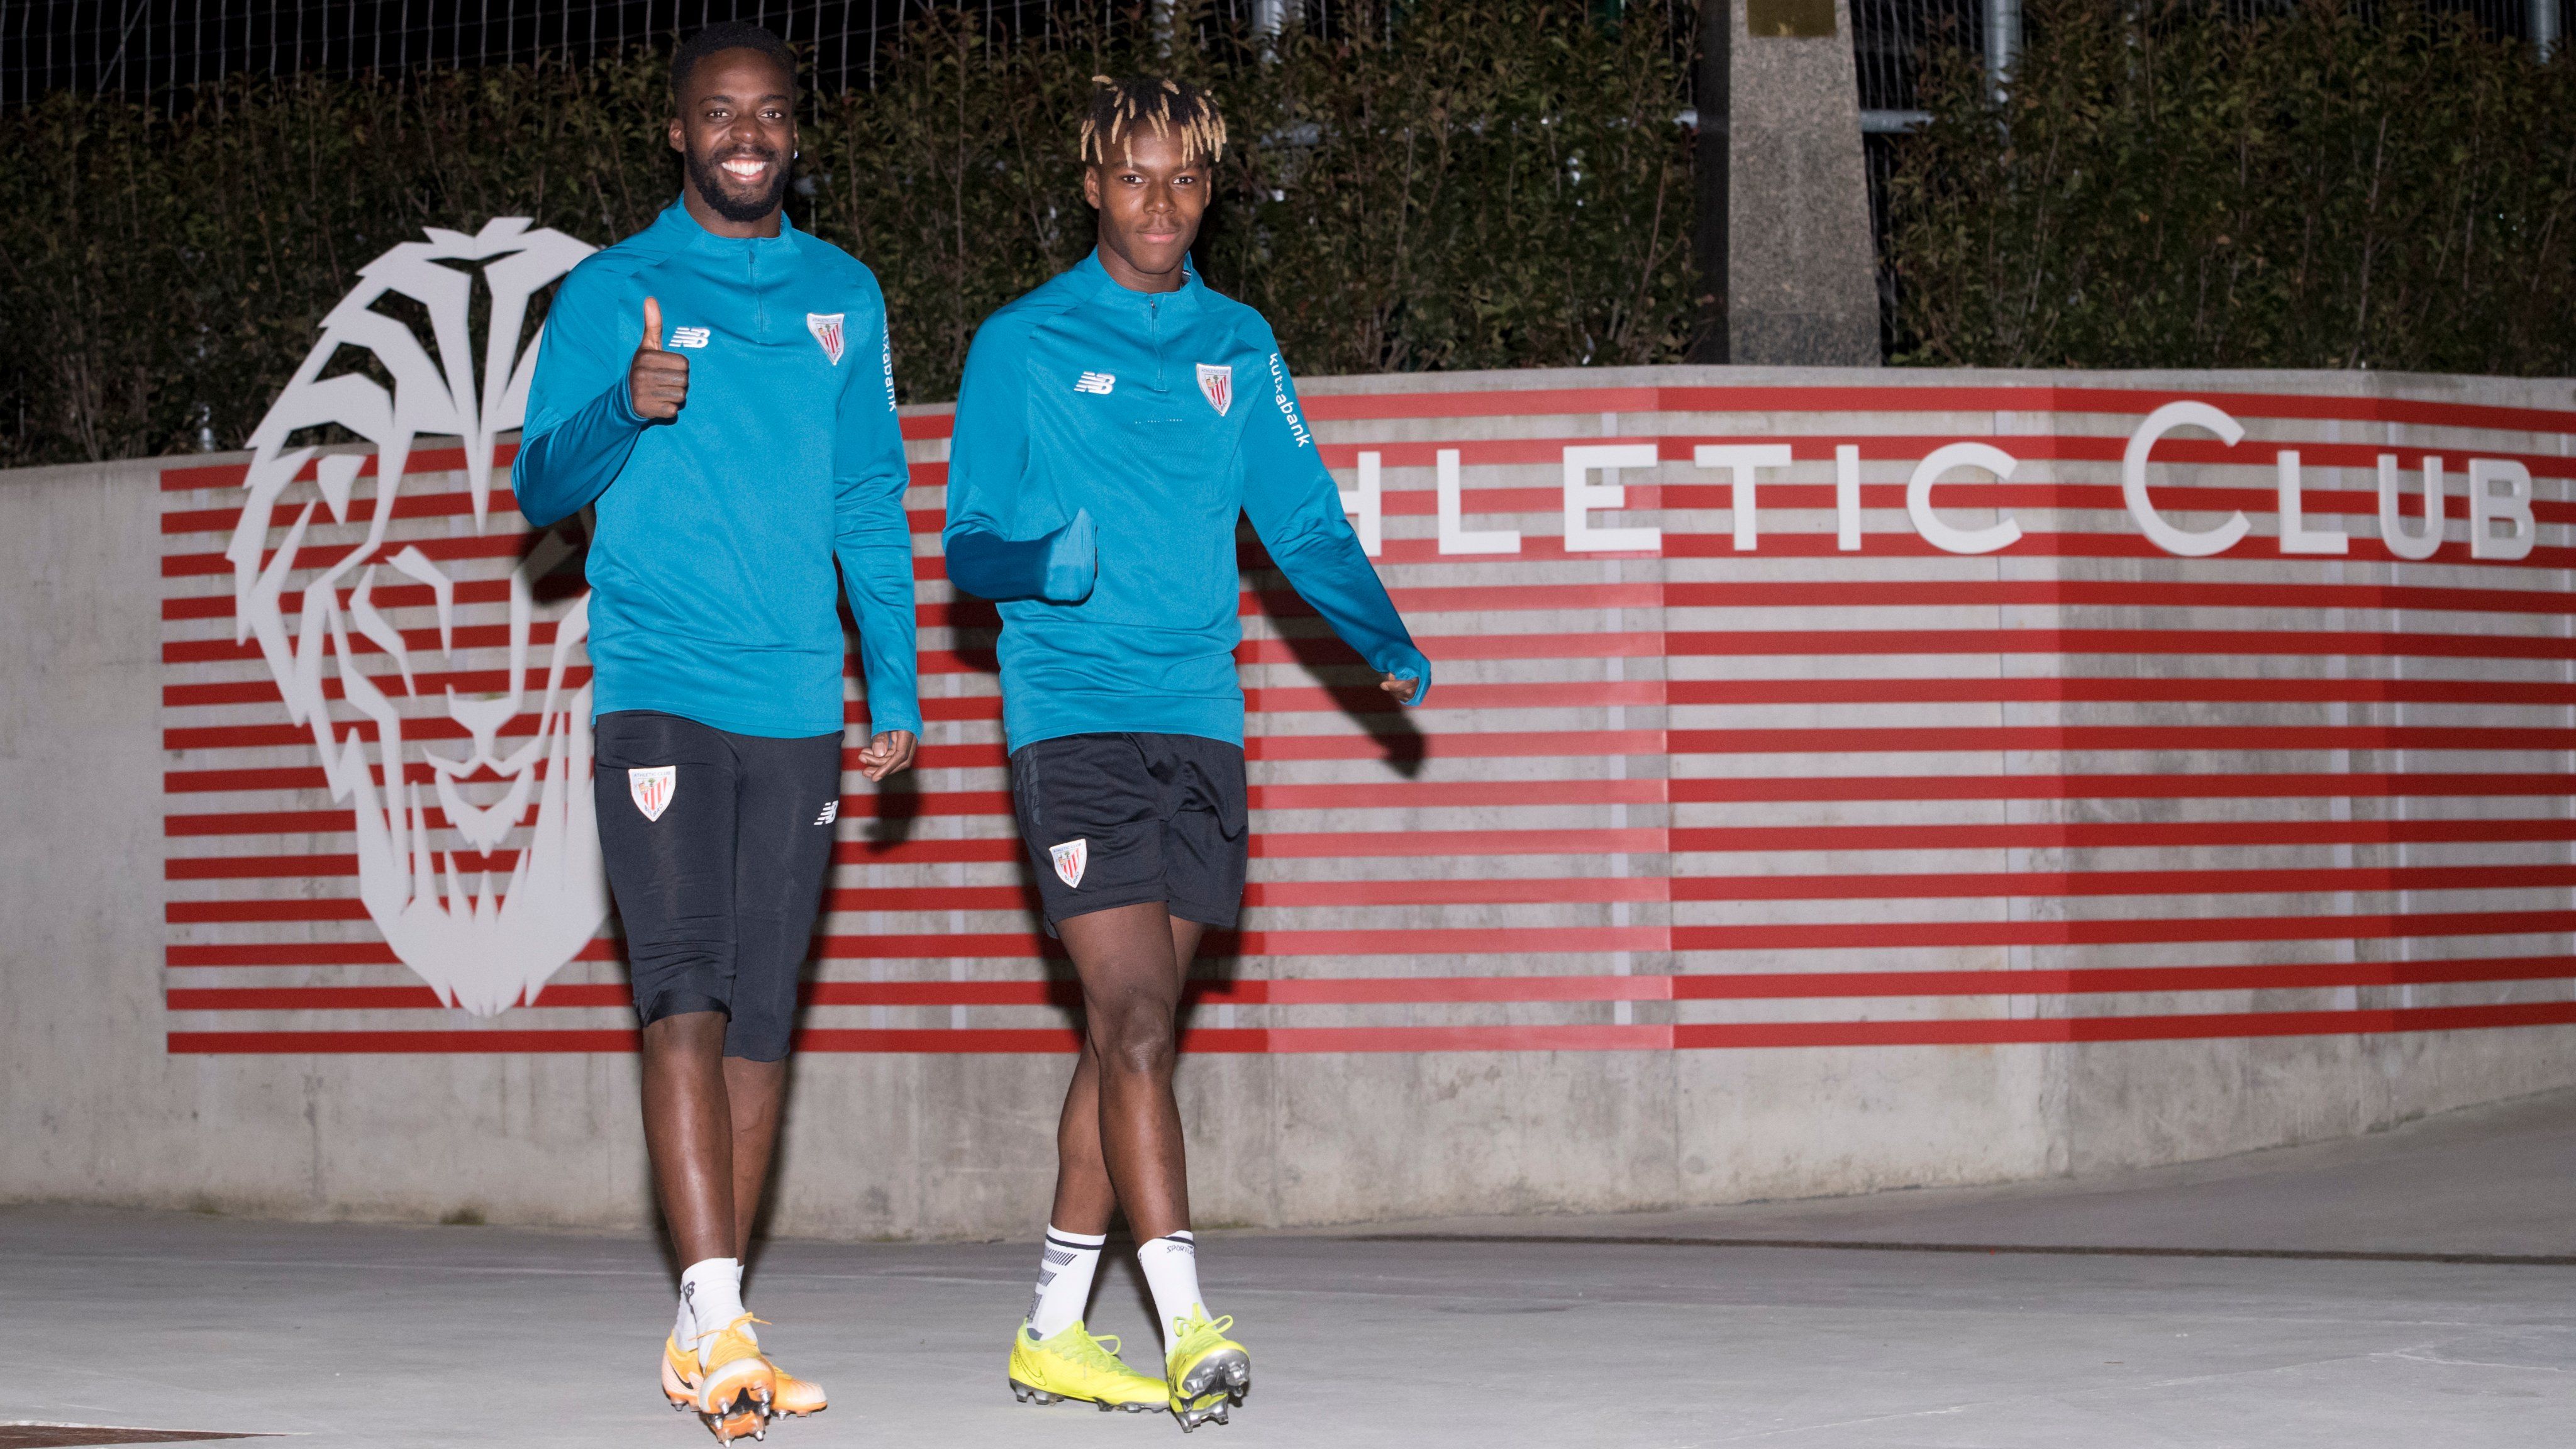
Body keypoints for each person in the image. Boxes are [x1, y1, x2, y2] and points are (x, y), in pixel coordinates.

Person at [943, 75, 1431, 1432]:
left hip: (1198, 727)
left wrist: (1376, 637)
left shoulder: (1239, 341)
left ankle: (1050, 1331)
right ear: (1090, 188)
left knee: (1119, 1044)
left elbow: (1303, 519)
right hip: (1075, 717)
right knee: (1141, 1024)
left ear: (1208, 191)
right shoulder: (1021, 342)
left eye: (1184, 180)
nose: (1159, 204)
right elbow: (967, 543)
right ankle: (1185, 1324)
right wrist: (1040, 557)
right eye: (1133, 179)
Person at [513, 22, 920, 1445]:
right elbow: (536, 481)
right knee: (679, 986)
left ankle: (708, 1327)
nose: (744, 133)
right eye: (715, 113)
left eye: (768, 112)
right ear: (675, 134)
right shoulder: (612, 289)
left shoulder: (843, 294)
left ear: (794, 135)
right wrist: (621, 408)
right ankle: (717, 1309)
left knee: (760, 1019)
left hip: (800, 700)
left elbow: (870, 498)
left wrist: (898, 686)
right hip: (660, 681)